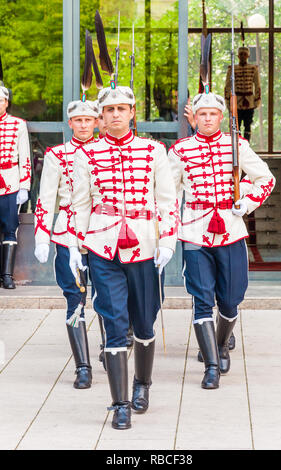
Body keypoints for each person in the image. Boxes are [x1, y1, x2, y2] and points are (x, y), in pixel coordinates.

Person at [68, 85, 178, 430]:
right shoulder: (87, 154)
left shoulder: (154, 150)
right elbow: (81, 202)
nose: (115, 114)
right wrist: (75, 245)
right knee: (114, 322)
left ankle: (142, 384)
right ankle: (120, 403)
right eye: (109, 109)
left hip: (145, 245)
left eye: (122, 108)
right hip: (103, 244)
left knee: (144, 323)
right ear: (101, 116)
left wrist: (168, 241)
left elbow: (167, 200)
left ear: (132, 112)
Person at [168, 91, 275, 389]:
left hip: (229, 226)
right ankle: (212, 364)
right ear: (194, 118)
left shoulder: (237, 145)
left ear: (221, 117)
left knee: (230, 299)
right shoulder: (180, 150)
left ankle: (222, 341)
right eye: (202, 114)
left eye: (213, 114)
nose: (207, 119)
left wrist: (248, 202)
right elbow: (169, 192)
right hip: (194, 231)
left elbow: (265, 179)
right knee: (202, 298)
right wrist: (169, 226)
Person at [34, 99, 99, 389]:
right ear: (70, 123)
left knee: (107, 297)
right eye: (78, 120)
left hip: (102, 232)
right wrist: (41, 235)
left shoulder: (107, 152)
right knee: (75, 298)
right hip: (68, 233)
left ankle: (110, 352)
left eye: (89, 120)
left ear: (96, 122)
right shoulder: (56, 155)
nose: (84, 125)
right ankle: (82, 365)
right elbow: (46, 198)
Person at [0, 85, 31, 289]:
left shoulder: (18, 124)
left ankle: (7, 275)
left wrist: (24, 186)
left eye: (0, 101)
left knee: (10, 228)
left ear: (6, 102)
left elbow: (25, 156)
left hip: (10, 181)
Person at [224, 46, 261, 142]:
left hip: (249, 101)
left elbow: (257, 85)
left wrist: (257, 100)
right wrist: (228, 100)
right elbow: (227, 86)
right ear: (238, 56)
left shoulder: (253, 69)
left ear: (248, 55)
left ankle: (246, 145)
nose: (243, 56)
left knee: (248, 125)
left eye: (245, 54)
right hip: (236, 101)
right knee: (236, 125)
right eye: (241, 54)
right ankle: (237, 145)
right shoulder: (232, 69)